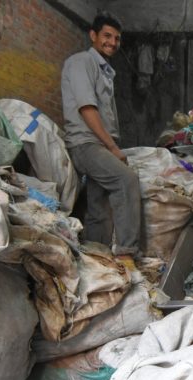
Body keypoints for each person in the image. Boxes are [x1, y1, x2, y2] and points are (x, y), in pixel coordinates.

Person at [61, 12, 141, 273]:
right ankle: (127, 253)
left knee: (98, 204)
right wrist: (112, 148)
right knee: (126, 179)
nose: (113, 42)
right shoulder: (81, 62)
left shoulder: (105, 71)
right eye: (107, 36)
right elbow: (87, 108)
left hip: (98, 143)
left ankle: (97, 256)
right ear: (93, 36)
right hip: (87, 144)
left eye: (117, 38)